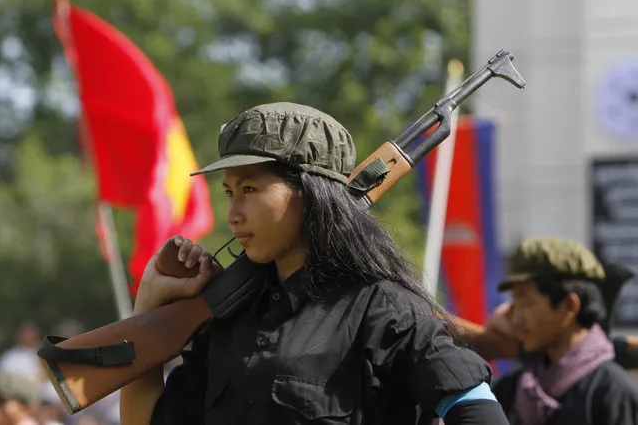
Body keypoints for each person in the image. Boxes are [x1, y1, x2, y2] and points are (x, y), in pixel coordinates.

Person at [120, 102, 508, 425]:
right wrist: (150, 302)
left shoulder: (385, 310)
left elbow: (475, 409)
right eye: (229, 193)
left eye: (250, 189)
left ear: (311, 195)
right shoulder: (229, 319)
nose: (233, 214)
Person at [489, 236, 638, 425]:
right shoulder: (509, 389)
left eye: (526, 303)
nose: (516, 319)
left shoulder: (614, 395)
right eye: (514, 304)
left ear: (569, 305)